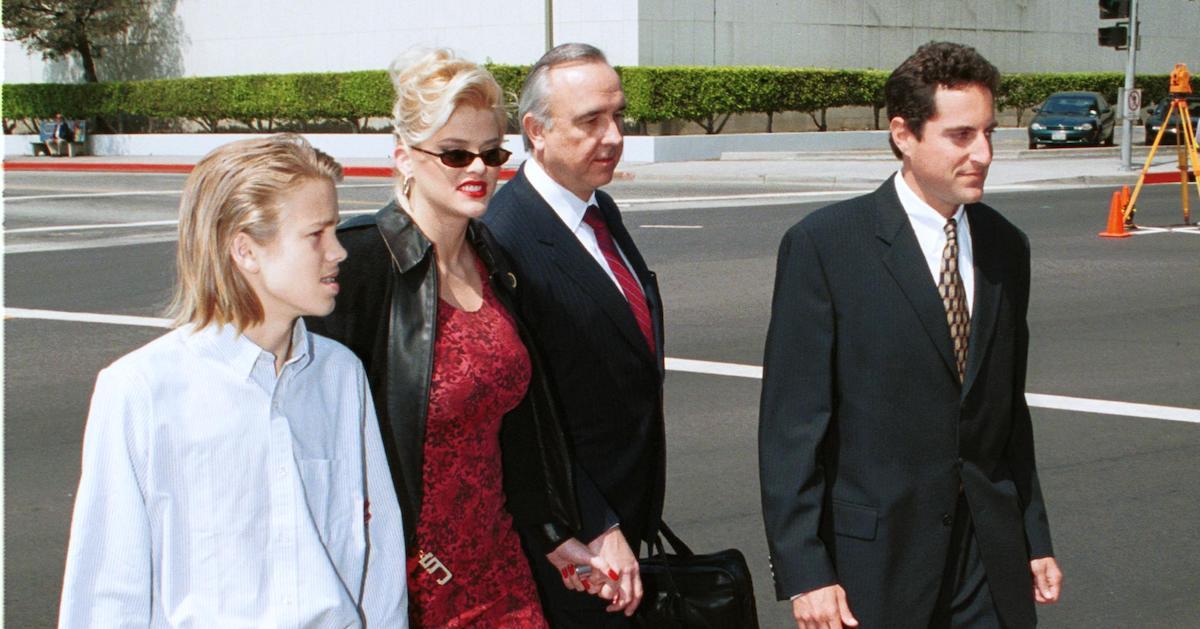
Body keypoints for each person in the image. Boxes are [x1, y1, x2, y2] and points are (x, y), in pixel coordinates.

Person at [759, 42, 1063, 629]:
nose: (984, 154)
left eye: (989, 133)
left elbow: (1005, 412)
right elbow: (791, 427)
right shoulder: (826, 246)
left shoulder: (1006, 246)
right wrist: (807, 573)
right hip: (873, 564)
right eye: (961, 135)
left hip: (987, 561)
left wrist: (1033, 535)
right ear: (903, 134)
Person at [307, 49, 612, 627]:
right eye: (454, 153)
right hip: (406, 579)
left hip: (499, 565)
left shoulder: (494, 259)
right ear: (404, 158)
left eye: (492, 153)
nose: (479, 169)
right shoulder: (363, 264)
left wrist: (551, 533)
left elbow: (516, 430)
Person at [57, 134, 408, 627]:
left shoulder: (340, 375)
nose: (339, 252)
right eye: (316, 235)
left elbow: (379, 552)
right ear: (245, 251)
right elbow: (107, 590)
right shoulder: (139, 390)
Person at [484, 42, 665, 627]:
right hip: (574, 544)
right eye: (590, 120)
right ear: (535, 130)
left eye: (618, 117)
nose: (612, 136)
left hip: (626, 519)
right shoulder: (503, 235)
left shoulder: (600, 210)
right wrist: (594, 522)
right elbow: (522, 412)